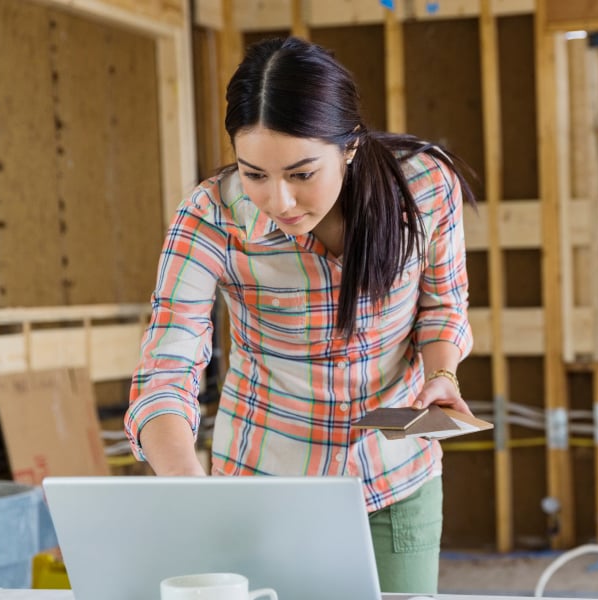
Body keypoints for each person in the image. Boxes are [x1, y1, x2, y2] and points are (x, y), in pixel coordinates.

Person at [123, 36, 475, 594]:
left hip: (394, 484)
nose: (280, 201)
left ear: (350, 147)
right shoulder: (211, 216)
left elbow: (441, 304)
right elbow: (166, 369)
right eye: (256, 174)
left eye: (302, 174)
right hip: (259, 485)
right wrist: (188, 487)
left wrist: (441, 376)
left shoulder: (425, 187)